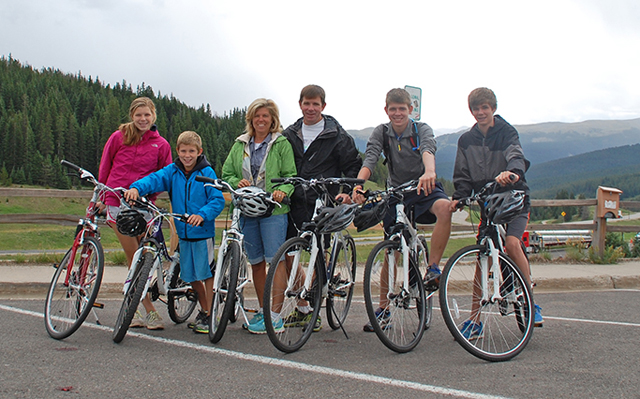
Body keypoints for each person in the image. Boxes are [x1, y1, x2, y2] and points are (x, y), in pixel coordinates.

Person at [351, 88, 452, 332]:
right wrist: (359, 184)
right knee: (391, 251)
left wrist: (429, 172)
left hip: (423, 186)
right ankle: (384, 310)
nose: (397, 113)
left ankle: (433, 267)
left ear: (410, 110)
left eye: (402, 109)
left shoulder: (421, 129)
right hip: (396, 193)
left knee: (446, 209)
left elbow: (428, 149)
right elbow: (371, 158)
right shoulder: (382, 132)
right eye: (393, 109)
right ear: (386, 110)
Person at [450, 87, 543, 340]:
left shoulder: (506, 132)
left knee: (512, 244)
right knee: (483, 259)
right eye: (476, 109)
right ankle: (474, 320)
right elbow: (462, 174)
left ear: (493, 109)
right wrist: (460, 196)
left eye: (485, 108)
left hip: (514, 200)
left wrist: (512, 172)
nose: (480, 112)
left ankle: (529, 301)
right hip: (488, 204)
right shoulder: (465, 140)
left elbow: (516, 155)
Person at [124, 131, 225, 334]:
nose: (187, 156)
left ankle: (211, 313)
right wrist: (135, 188)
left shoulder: (207, 173)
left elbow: (217, 199)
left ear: (199, 152)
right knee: (190, 275)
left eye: (192, 151)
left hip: (201, 232)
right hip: (183, 233)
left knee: (206, 274)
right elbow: (154, 179)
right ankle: (204, 309)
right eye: (183, 151)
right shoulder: (173, 171)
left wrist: (202, 215)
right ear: (177, 151)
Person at [281, 84, 362, 331]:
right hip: (295, 200)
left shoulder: (337, 134)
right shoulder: (289, 133)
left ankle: (313, 304)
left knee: (319, 253)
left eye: (316, 104)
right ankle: (305, 306)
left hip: (324, 200)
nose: (311, 108)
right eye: (307, 103)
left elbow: (353, 166)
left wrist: (346, 192)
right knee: (287, 253)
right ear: (300, 104)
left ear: (323, 106)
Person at [222, 98, 296, 334]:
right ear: (250, 119)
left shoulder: (281, 143)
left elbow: (290, 176)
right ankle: (264, 311)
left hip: (273, 210)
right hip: (247, 208)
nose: (261, 120)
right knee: (255, 262)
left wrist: (281, 192)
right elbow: (227, 173)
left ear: (273, 119)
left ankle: (275, 316)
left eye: (265, 116)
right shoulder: (240, 144)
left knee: (276, 261)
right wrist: (237, 182)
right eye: (257, 116)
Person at [99, 97, 172, 330]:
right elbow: (105, 167)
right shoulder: (118, 137)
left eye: (147, 115)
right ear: (132, 115)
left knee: (146, 258)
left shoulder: (161, 145)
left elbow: (165, 175)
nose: (143, 119)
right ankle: (147, 310)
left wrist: (148, 195)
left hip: (143, 206)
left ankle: (137, 304)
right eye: (139, 115)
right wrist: (102, 197)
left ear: (154, 116)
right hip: (116, 201)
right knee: (134, 257)